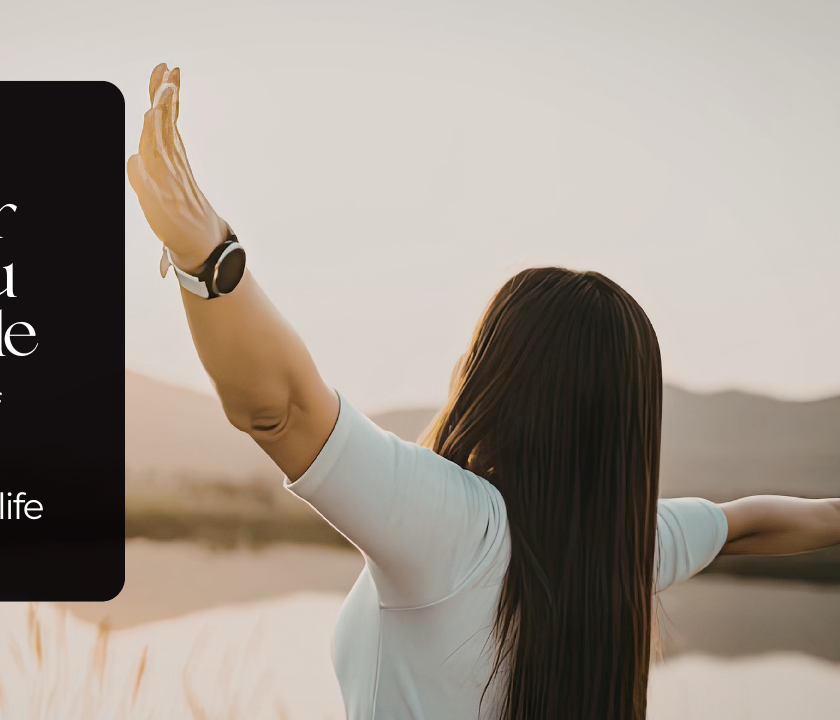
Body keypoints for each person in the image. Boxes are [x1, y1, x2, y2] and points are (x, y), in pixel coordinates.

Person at [126, 63, 840, 720]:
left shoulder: (458, 527)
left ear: (497, 378)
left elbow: (278, 408)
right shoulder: (623, 545)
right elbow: (749, 522)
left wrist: (209, 257)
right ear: (626, 422)